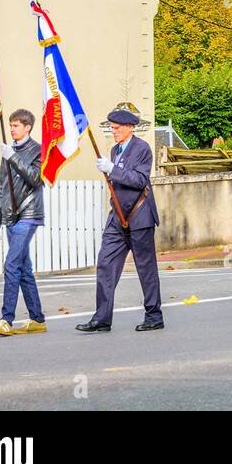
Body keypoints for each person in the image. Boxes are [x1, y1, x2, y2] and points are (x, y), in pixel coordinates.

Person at [77, 108, 161, 332]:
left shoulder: (142, 149)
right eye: (112, 127)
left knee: (146, 268)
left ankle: (154, 315)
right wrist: (112, 168)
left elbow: (139, 179)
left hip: (139, 215)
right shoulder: (115, 150)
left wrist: (113, 169)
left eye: (117, 128)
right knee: (105, 263)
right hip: (117, 218)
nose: (113, 131)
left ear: (130, 128)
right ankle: (102, 318)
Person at [0, 109, 47, 337]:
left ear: (27, 127)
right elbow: (1, 187)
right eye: (10, 125)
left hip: (29, 214)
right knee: (24, 270)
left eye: (16, 126)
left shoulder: (38, 150)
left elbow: (35, 178)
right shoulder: (8, 151)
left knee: (11, 265)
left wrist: (12, 157)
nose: (12, 129)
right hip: (10, 216)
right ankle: (37, 318)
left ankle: (6, 319)